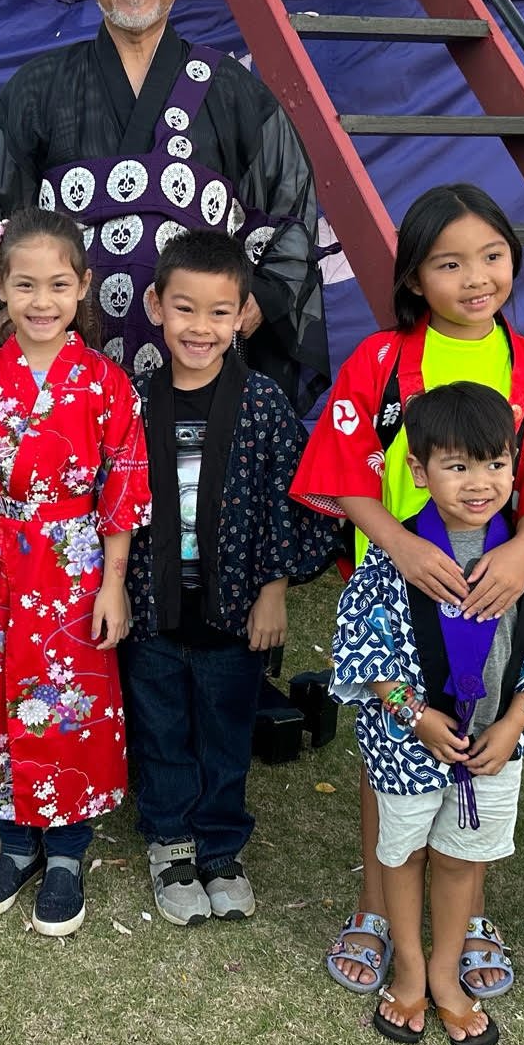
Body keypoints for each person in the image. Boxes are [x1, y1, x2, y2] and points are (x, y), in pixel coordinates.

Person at [291, 182, 524, 1004]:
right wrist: (398, 542)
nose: (476, 278)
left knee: (485, 733)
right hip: (401, 585)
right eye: (450, 263)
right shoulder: (382, 361)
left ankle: (469, 916)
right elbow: (341, 470)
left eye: (492, 257)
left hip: (499, 584)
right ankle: (375, 901)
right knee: (394, 745)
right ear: (414, 279)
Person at [0, 0, 327, 411]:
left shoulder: (232, 90)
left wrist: (257, 301)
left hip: (197, 367)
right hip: (68, 376)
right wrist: (1, 311)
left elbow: (291, 207)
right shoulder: (41, 86)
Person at [329, 380, 524, 1045]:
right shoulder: (399, 556)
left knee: (457, 857)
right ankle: (409, 968)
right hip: (408, 743)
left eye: (496, 464)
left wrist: (516, 720)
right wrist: (412, 714)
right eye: (458, 465)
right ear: (419, 470)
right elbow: (364, 644)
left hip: (492, 748)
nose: (480, 483)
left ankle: (445, 973)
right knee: (406, 850)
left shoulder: (521, 559)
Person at [0, 208, 150, 939]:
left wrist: (113, 581)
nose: (42, 301)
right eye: (26, 285)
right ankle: (16, 845)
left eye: (59, 285)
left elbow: (123, 483)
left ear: (83, 287)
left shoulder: (105, 383)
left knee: (75, 702)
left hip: (76, 562)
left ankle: (67, 855)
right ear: (0, 286)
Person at [120, 229, 339, 924]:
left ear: (243, 313)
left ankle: (219, 843)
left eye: (220, 312)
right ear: (156, 305)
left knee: (223, 727)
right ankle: (169, 840)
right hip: (151, 608)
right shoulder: (130, 401)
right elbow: (110, 503)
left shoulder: (263, 404)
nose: (202, 328)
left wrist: (274, 587)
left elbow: (289, 498)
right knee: (160, 728)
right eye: (186, 309)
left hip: (238, 607)